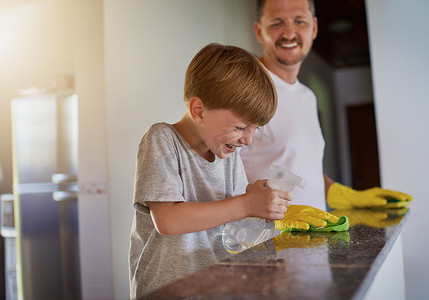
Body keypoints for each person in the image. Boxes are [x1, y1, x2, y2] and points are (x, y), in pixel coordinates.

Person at [129, 43, 292, 298]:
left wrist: (258, 207)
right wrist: (246, 204)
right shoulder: (162, 139)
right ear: (199, 111)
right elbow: (168, 220)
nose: (247, 140)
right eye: (240, 128)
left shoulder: (226, 154)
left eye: (255, 129)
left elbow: (232, 224)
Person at [239, 0, 412, 211]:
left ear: (314, 28)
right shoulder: (243, 87)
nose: (289, 33)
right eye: (277, 23)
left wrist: (339, 193)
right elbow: (220, 172)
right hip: (266, 239)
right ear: (259, 31)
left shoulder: (307, 97)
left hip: (315, 235)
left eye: (299, 21)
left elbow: (299, 168)